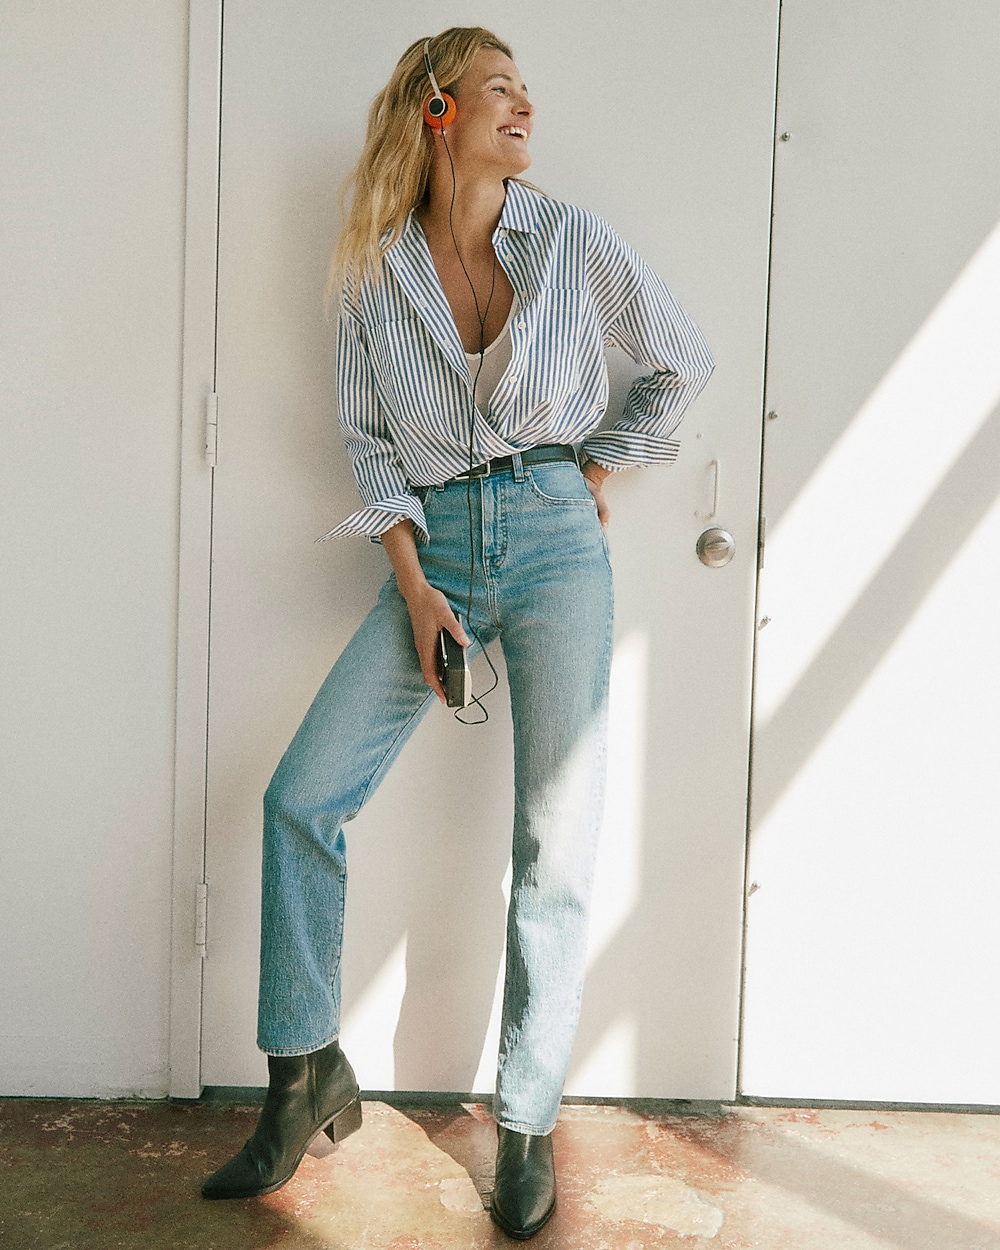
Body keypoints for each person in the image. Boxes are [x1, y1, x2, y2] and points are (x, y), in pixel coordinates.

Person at [201, 25, 714, 1240]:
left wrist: (594, 466)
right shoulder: (376, 274)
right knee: (300, 797)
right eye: (498, 88)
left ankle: (526, 1122)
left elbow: (679, 365)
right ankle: (304, 1072)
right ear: (437, 112)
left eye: (525, 89)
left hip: (552, 538)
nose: (523, 105)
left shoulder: (571, 242)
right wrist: (416, 585)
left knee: (555, 838)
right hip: (431, 551)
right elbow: (371, 447)